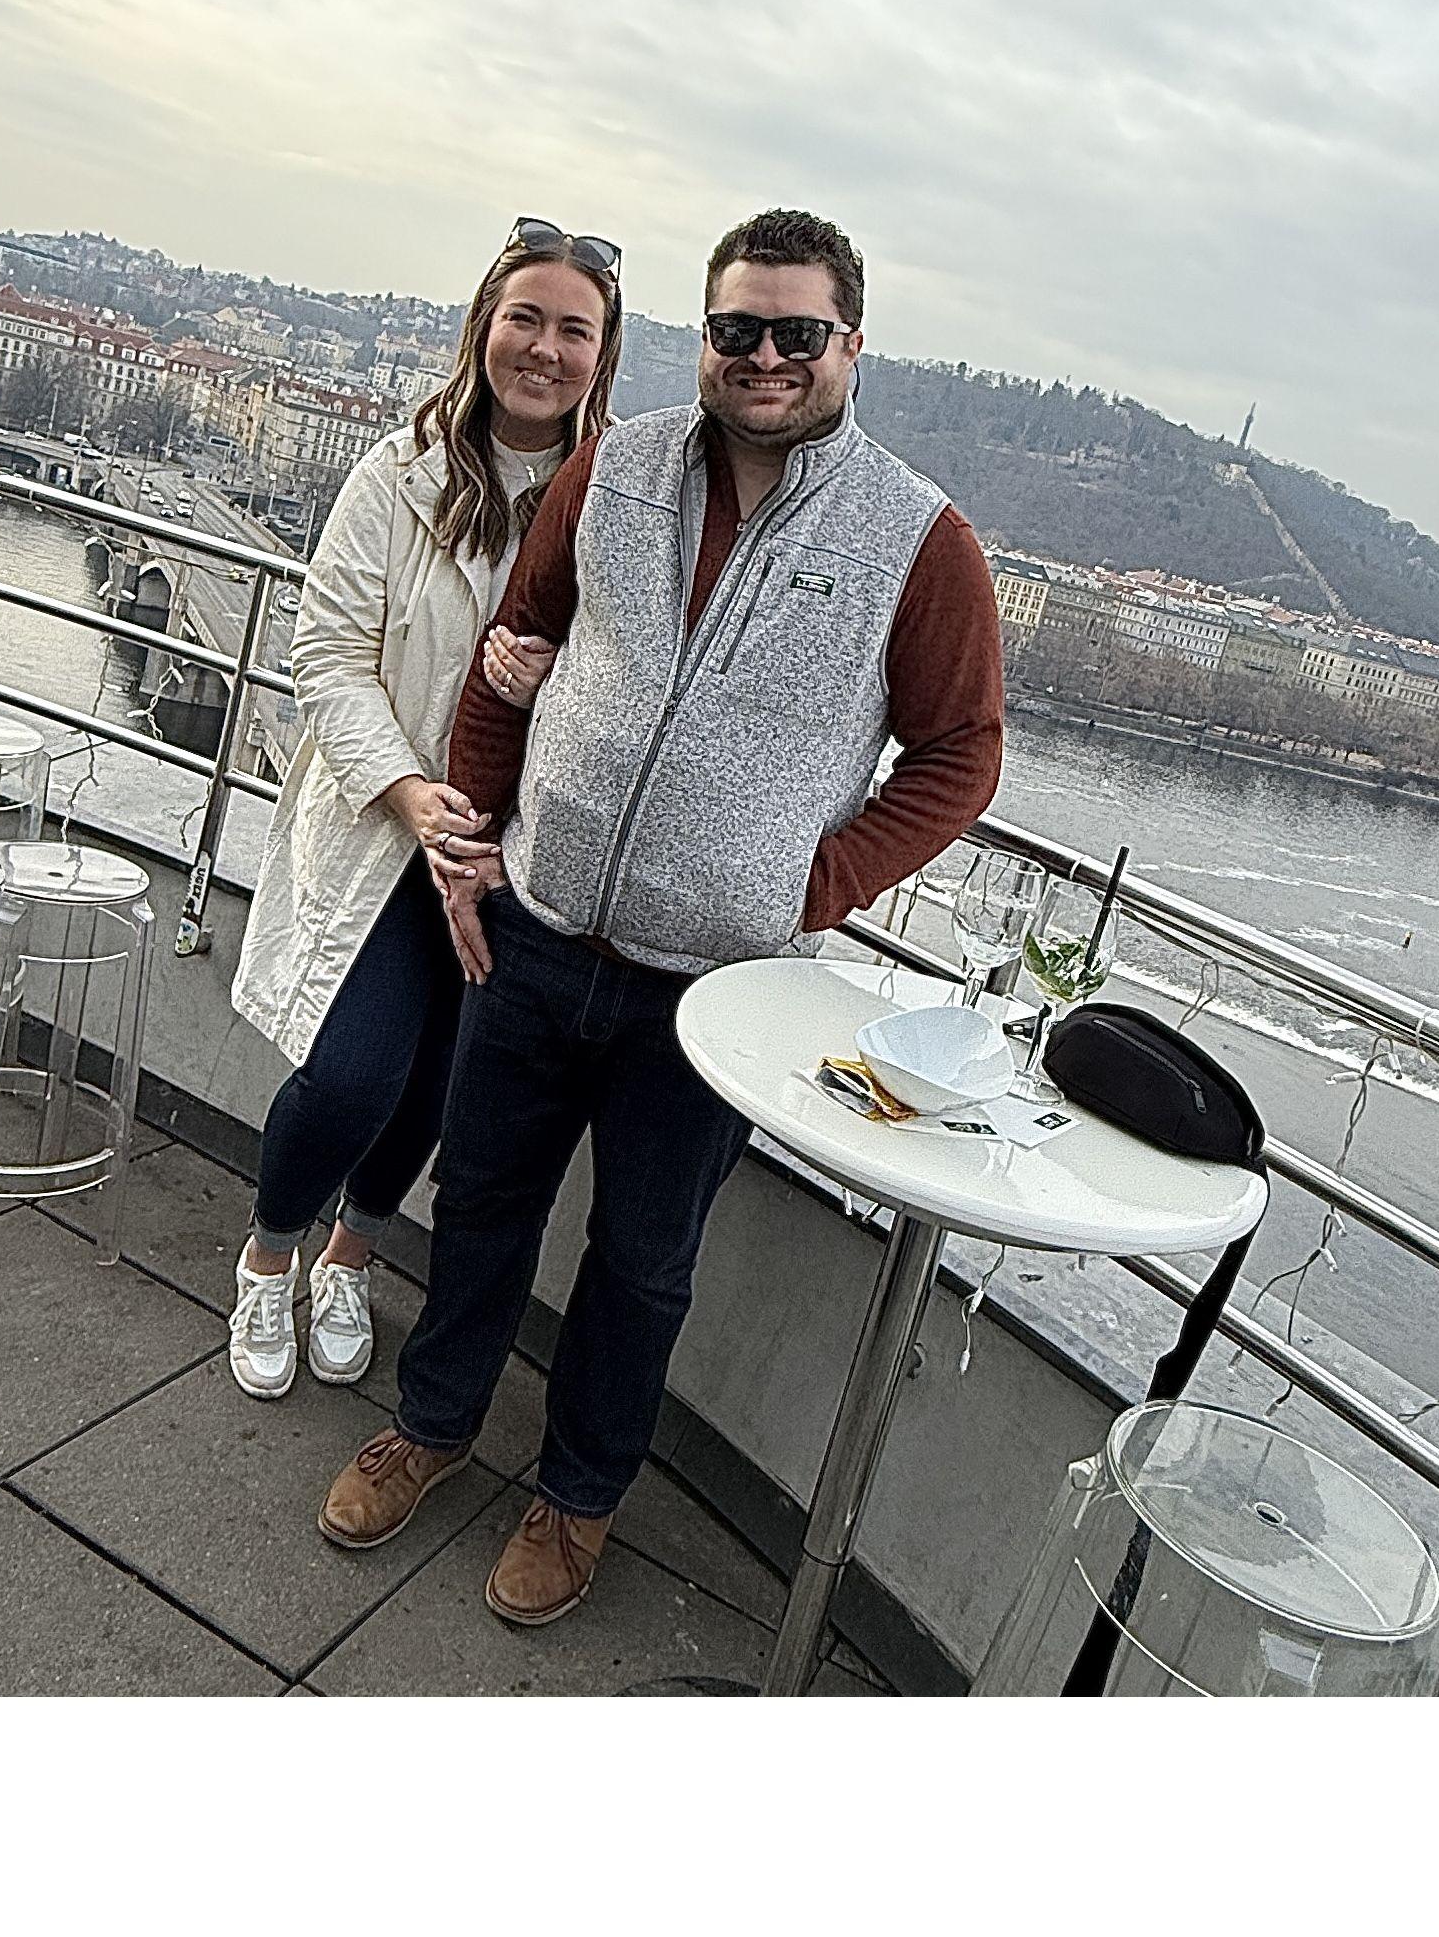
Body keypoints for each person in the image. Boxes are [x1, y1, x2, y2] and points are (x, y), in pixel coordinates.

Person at [317, 208, 1006, 1628]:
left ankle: (577, 1498)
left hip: (717, 990)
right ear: (704, 335)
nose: (764, 356)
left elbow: (961, 755)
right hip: (535, 927)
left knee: (641, 1263)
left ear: (851, 344)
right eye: (736, 328)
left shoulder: (918, 539)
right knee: (481, 1204)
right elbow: (511, 652)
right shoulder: (615, 467)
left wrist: (811, 883)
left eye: (796, 333)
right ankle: (432, 1426)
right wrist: (470, 845)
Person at [223, 220, 619, 1397]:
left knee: (444, 1083)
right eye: (525, 318)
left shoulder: (618, 504)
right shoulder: (399, 472)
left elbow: (635, 684)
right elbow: (326, 654)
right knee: (352, 1074)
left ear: (601, 356)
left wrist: (558, 683)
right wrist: (408, 793)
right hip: (389, 833)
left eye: (574, 330)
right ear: (484, 327)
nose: (544, 349)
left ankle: (351, 1251)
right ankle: (268, 1256)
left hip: (513, 856)